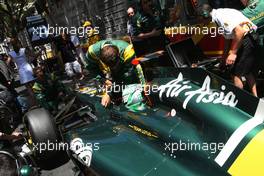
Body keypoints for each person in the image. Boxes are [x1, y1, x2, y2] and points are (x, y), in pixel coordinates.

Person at [201, 4, 258, 96]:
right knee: (247, 71)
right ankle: (255, 97)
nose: (202, 23)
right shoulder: (218, 15)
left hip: (246, 37)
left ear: (205, 15)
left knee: (235, 73)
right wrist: (223, 60)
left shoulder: (220, 17)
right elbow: (228, 40)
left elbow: (240, 32)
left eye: (201, 20)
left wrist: (233, 54)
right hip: (251, 37)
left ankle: (239, 101)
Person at [86, 39, 141, 107]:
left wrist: (109, 93)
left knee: (132, 85)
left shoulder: (128, 51)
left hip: (129, 67)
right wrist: (103, 79)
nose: (114, 68)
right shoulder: (92, 52)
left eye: (115, 65)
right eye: (111, 66)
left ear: (118, 55)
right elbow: (91, 69)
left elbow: (127, 77)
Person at [8, 38, 38, 107]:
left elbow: (7, 63)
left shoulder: (11, 53)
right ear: (18, 42)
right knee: (34, 85)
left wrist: (13, 70)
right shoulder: (23, 50)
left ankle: (35, 102)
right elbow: (33, 55)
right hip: (28, 68)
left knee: (28, 87)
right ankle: (39, 98)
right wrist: (39, 53)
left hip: (21, 71)